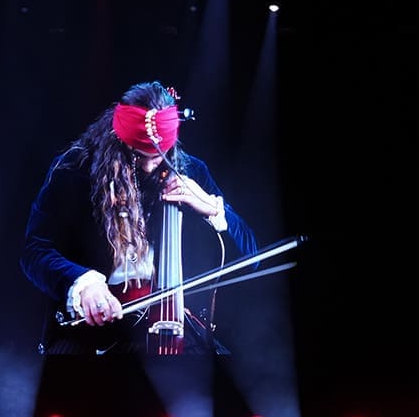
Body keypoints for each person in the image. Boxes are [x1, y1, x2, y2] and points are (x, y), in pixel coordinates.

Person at [20, 81, 259, 355]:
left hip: (170, 322)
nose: (148, 166)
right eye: (136, 155)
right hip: (91, 327)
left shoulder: (191, 171)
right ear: (118, 138)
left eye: (159, 157)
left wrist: (212, 209)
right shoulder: (75, 170)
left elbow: (251, 260)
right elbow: (34, 251)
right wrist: (83, 283)